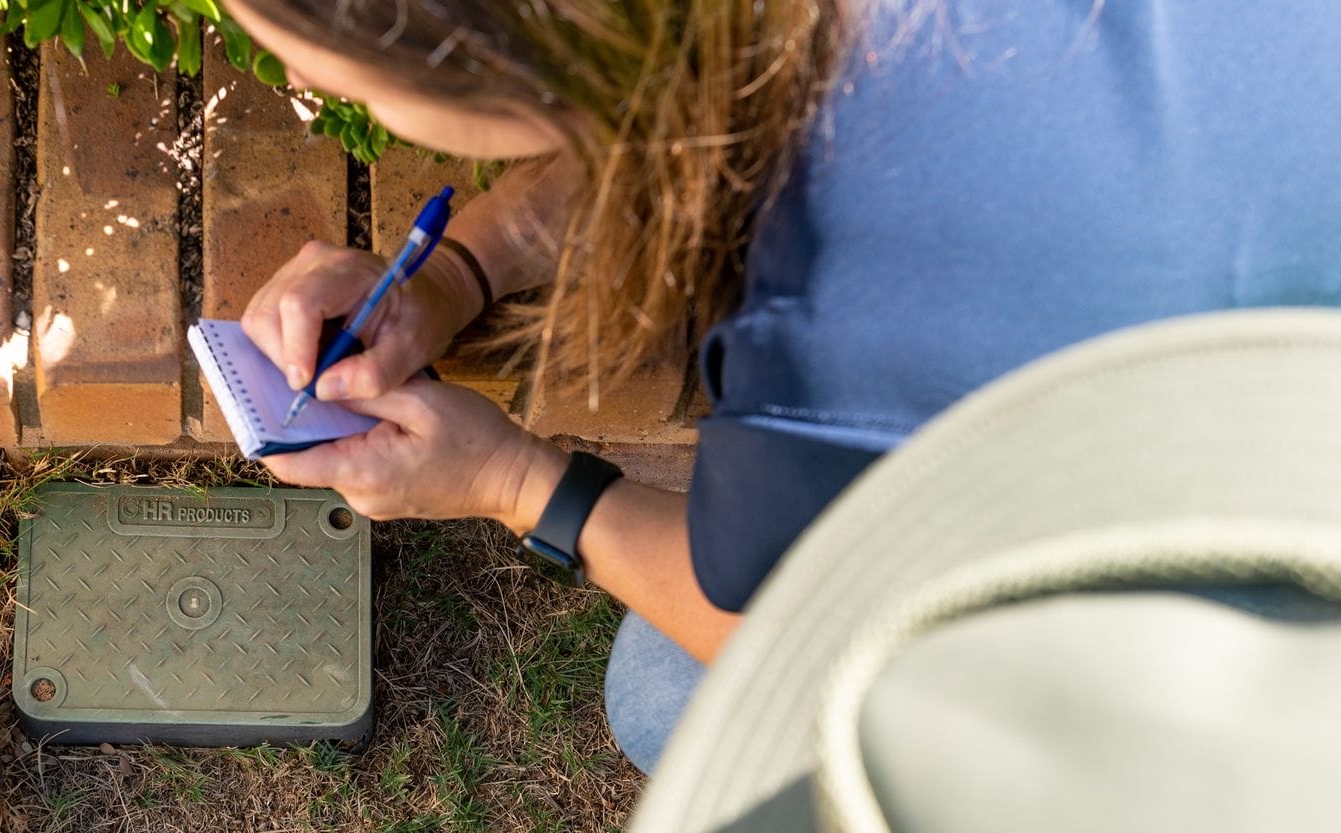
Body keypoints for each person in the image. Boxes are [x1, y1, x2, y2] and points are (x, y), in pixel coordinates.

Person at [221, 0, 1341, 771]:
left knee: (666, 702)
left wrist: (515, 479)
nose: (299, 77)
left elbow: (805, 630)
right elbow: (704, 83)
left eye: (305, 55)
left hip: (1266, 636)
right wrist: (462, 274)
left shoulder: (837, 315)